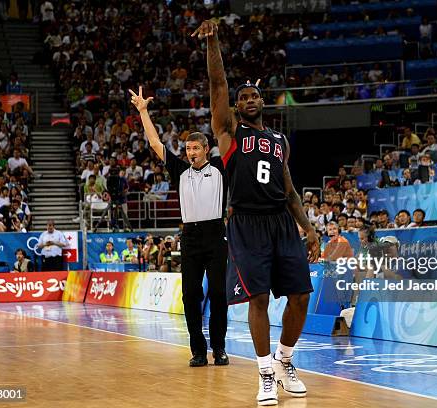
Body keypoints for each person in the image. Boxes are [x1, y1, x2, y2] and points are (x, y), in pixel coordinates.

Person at [192, 20, 320, 405]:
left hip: (282, 220)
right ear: (236, 105)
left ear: (262, 102)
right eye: (242, 96)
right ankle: (265, 373)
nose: (248, 99)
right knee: (259, 299)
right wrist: (213, 42)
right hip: (246, 222)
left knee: (300, 296)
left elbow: (290, 189)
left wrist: (309, 228)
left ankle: (285, 361)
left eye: (254, 96)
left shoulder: (279, 140)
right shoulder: (230, 132)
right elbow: (217, 86)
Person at [130, 86, 229, 367]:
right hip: (191, 236)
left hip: (215, 233)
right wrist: (143, 112)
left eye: (195, 148)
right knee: (190, 295)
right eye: (187, 149)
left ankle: (219, 349)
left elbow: (230, 138)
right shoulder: (180, 171)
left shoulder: (221, 168)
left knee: (219, 294)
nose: (190, 152)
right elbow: (154, 142)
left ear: (206, 149)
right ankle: (198, 350)